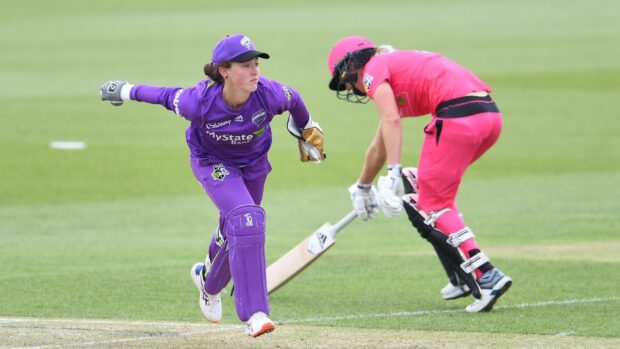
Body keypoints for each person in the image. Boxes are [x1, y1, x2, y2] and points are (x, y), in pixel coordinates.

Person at [100, 34, 325, 337]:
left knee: (236, 229)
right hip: (213, 163)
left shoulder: (269, 93)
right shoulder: (201, 101)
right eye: (245, 65)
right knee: (247, 219)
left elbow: (294, 99)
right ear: (225, 71)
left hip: (255, 164)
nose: (255, 71)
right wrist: (124, 90)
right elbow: (165, 96)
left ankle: (207, 283)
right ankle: (255, 314)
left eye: (256, 64)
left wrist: (307, 128)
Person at [327, 35, 511, 313]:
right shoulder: (393, 68)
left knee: (431, 203)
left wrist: (392, 173)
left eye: (346, 79)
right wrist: (362, 187)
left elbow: (391, 120)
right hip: (488, 117)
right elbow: (379, 146)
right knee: (421, 189)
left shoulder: (373, 70)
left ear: (352, 64)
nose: (350, 87)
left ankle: (487, 277)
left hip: (457, 116)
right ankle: (460, 277)